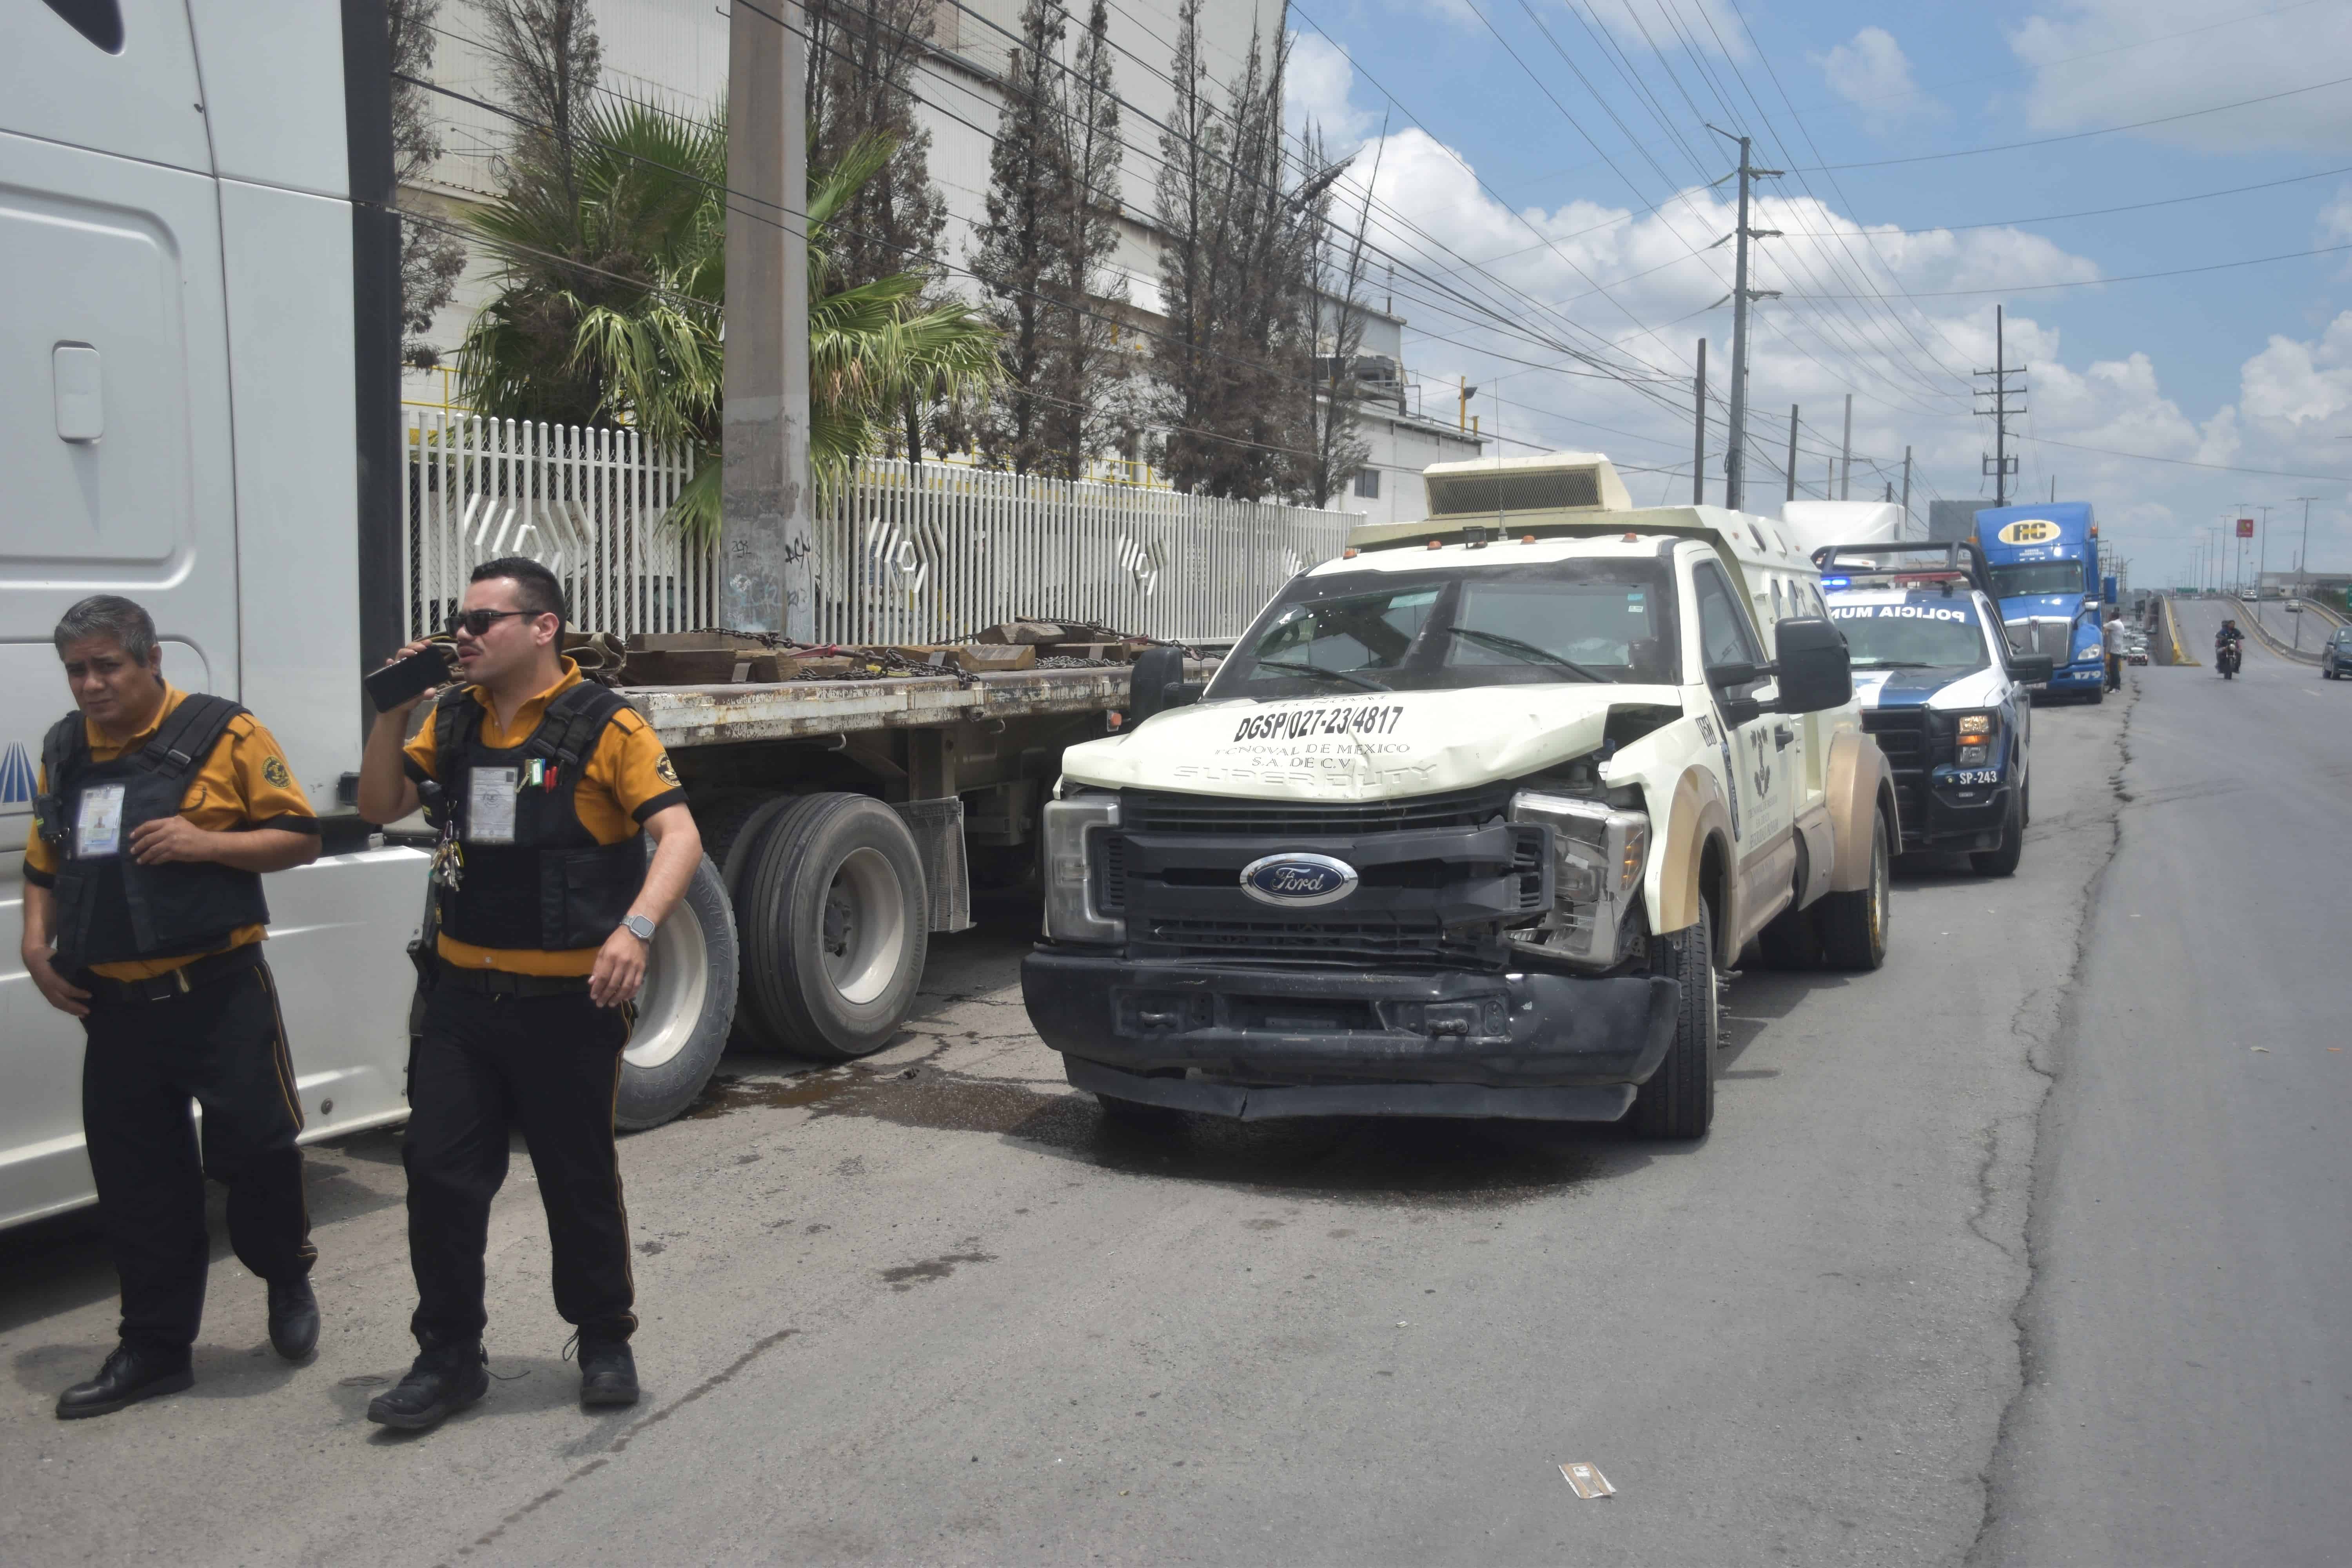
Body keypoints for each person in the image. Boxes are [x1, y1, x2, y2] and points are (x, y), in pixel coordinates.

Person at [354, 557, 701, 1432]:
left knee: (575, 1172)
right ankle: (447, 1357)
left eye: (482, 621)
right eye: (457, 619)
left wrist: (638, 928)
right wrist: (392, 707)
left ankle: (603, 1336)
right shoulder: (450, 718)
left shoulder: (606, 722)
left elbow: (678, 834)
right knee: (438, 1174)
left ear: (543, 627)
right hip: (463, 998)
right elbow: (377, 804)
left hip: (567, 1004)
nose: (461, 634)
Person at [23, 596, 324, 1420]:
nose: (90, 685)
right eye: (77, 670)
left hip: (219, 990)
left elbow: (300, 836)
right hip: (113, 1007)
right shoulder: (65, 747)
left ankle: (285, 1271)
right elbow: (46, 856)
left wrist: (206, 843)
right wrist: (34, 943)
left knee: (259, 1153)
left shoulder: (227, 735)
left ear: (152, 659)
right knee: (138, 1185)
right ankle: (155, 1349)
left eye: (105, 667)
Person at [2102, 606, 2125, 691]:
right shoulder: (2120, 624)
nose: (2109, 617)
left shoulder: (2113, 624)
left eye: (2110, 616)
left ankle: (2116, 687)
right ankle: (2113, 687)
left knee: (2114, 669)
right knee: (2113, 668)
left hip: (2115, 650)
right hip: (2118, 649)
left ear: (2113, 617)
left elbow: (2103, 627)